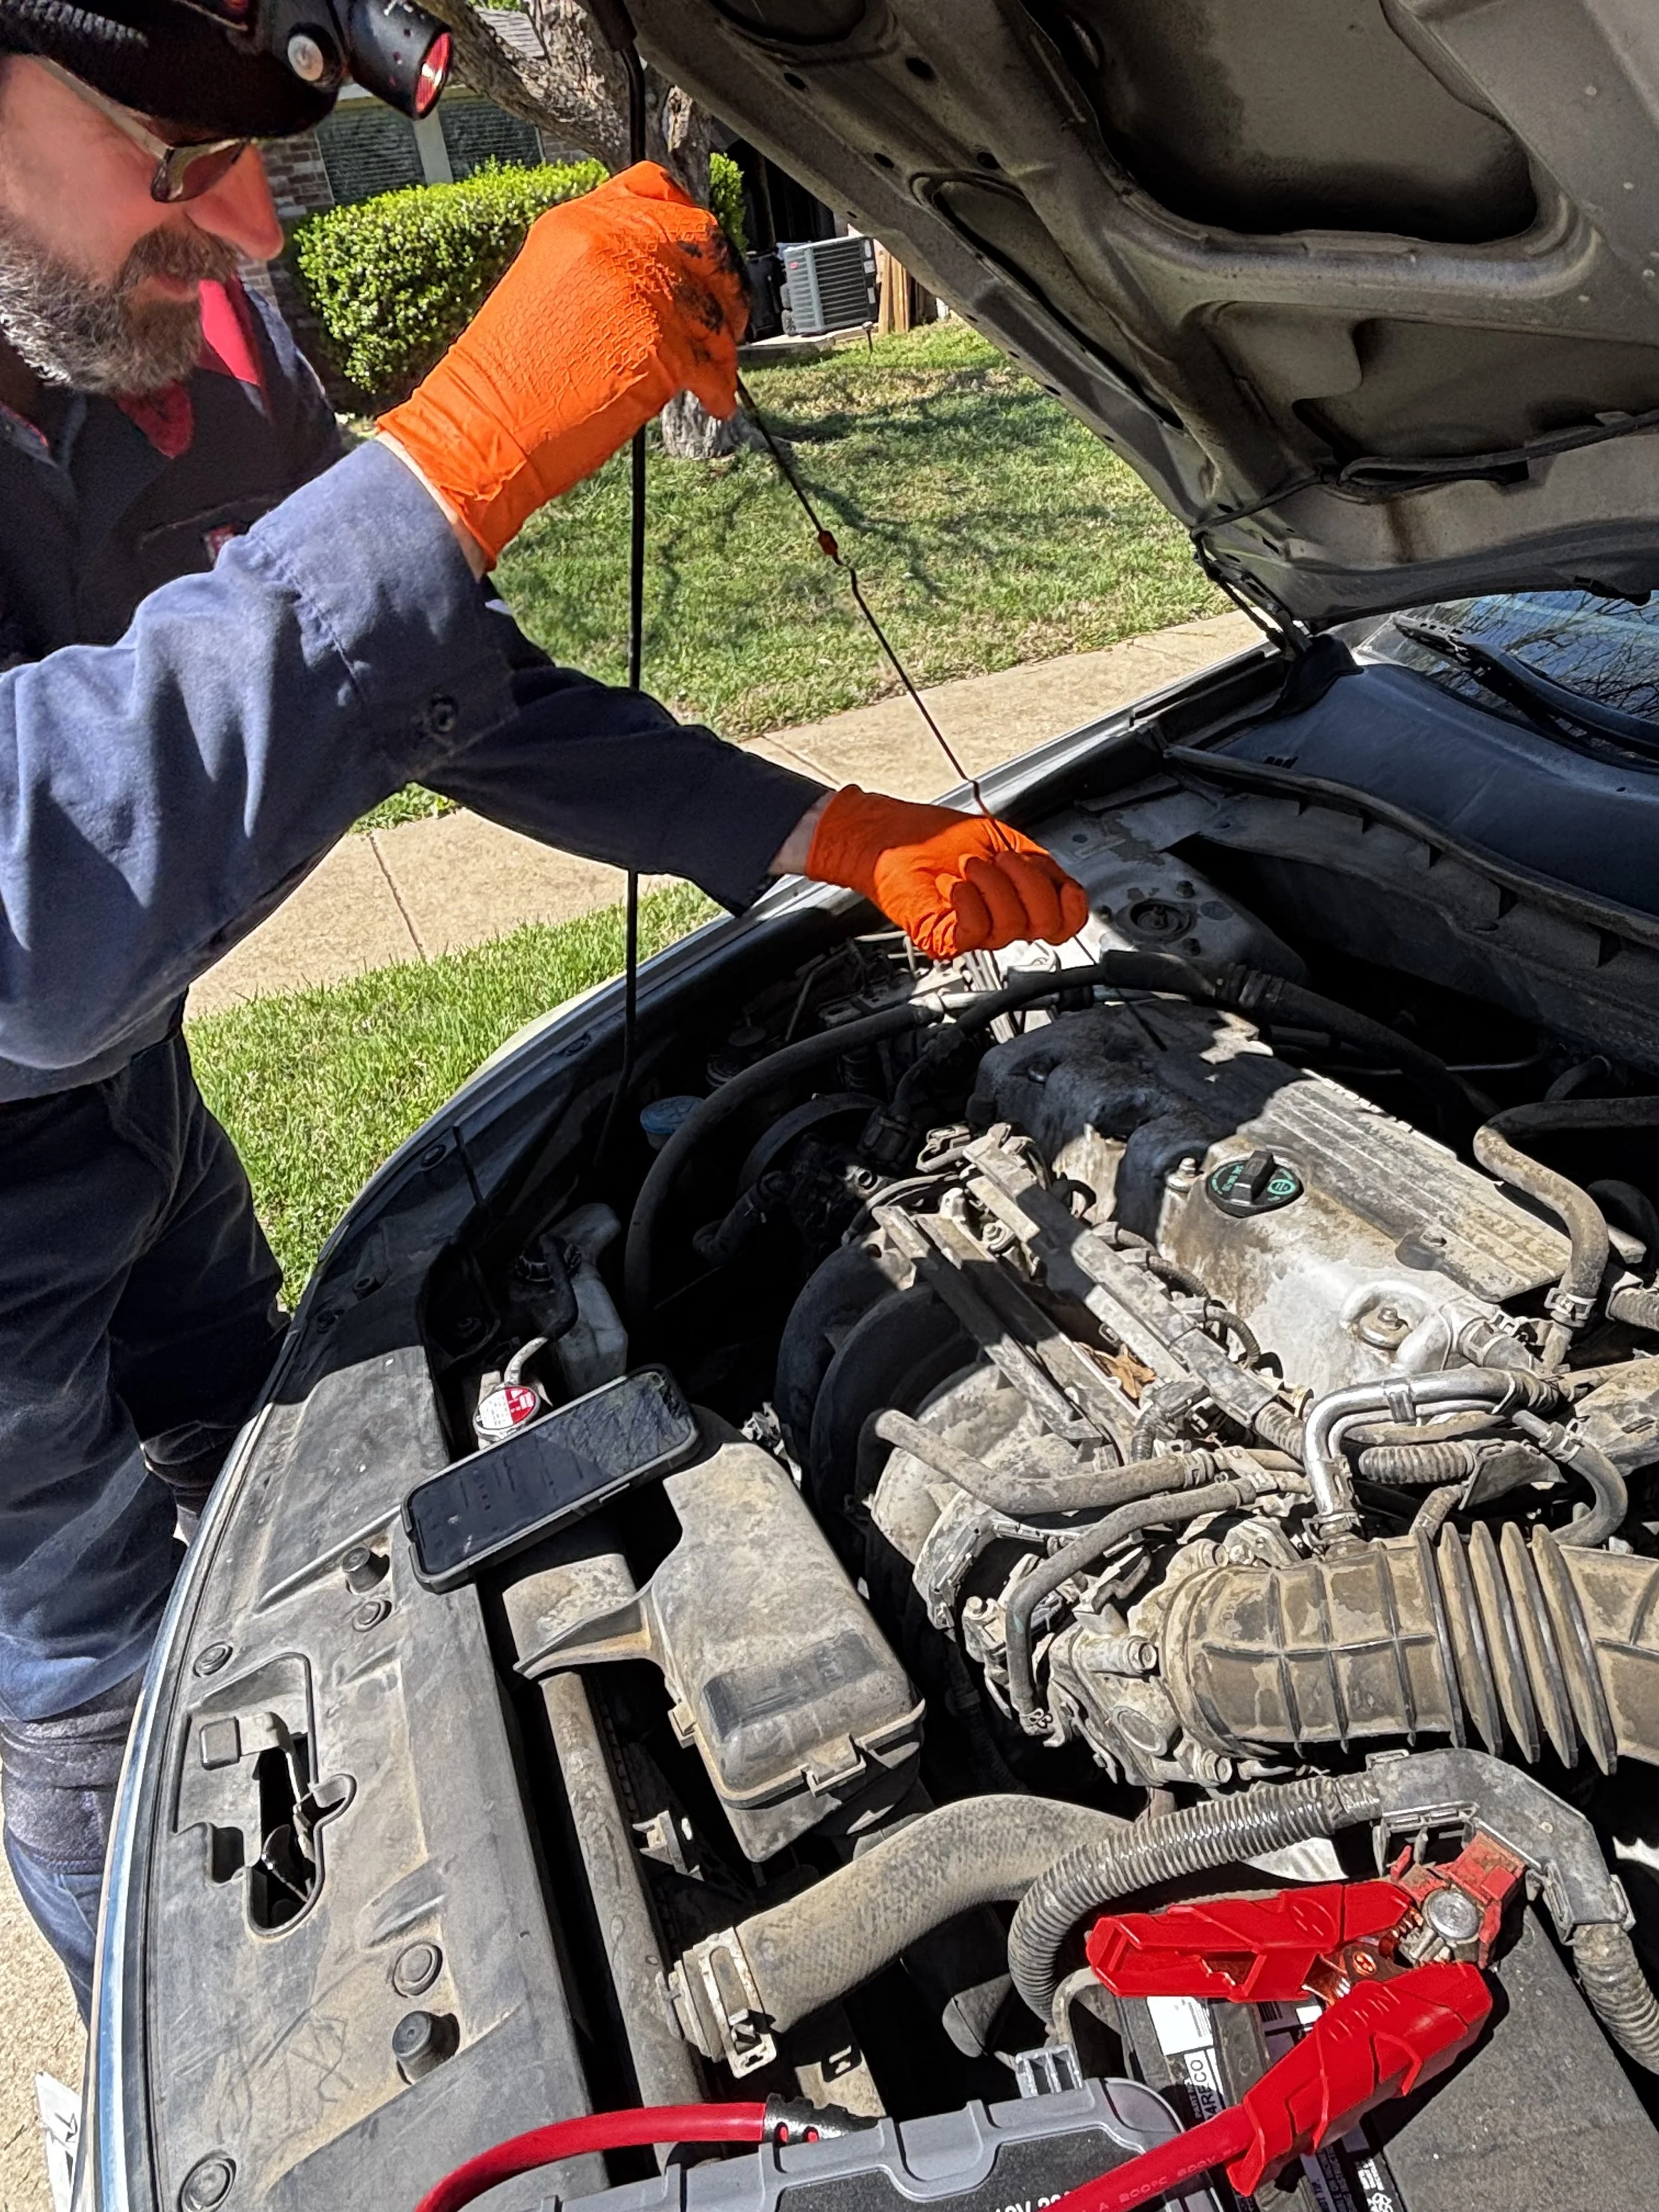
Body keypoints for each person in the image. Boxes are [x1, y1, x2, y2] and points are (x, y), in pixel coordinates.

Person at [0, 3, 1090, 2016]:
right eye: (177, 161)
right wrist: (449, 462)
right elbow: (25, 921)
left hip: (135, 1127)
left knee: (277, 1527)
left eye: (272, 163)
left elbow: (425, 683)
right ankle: (165, 2052)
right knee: (90, 1683)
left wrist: (806, 828)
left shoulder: (192, 342)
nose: (246, 232)